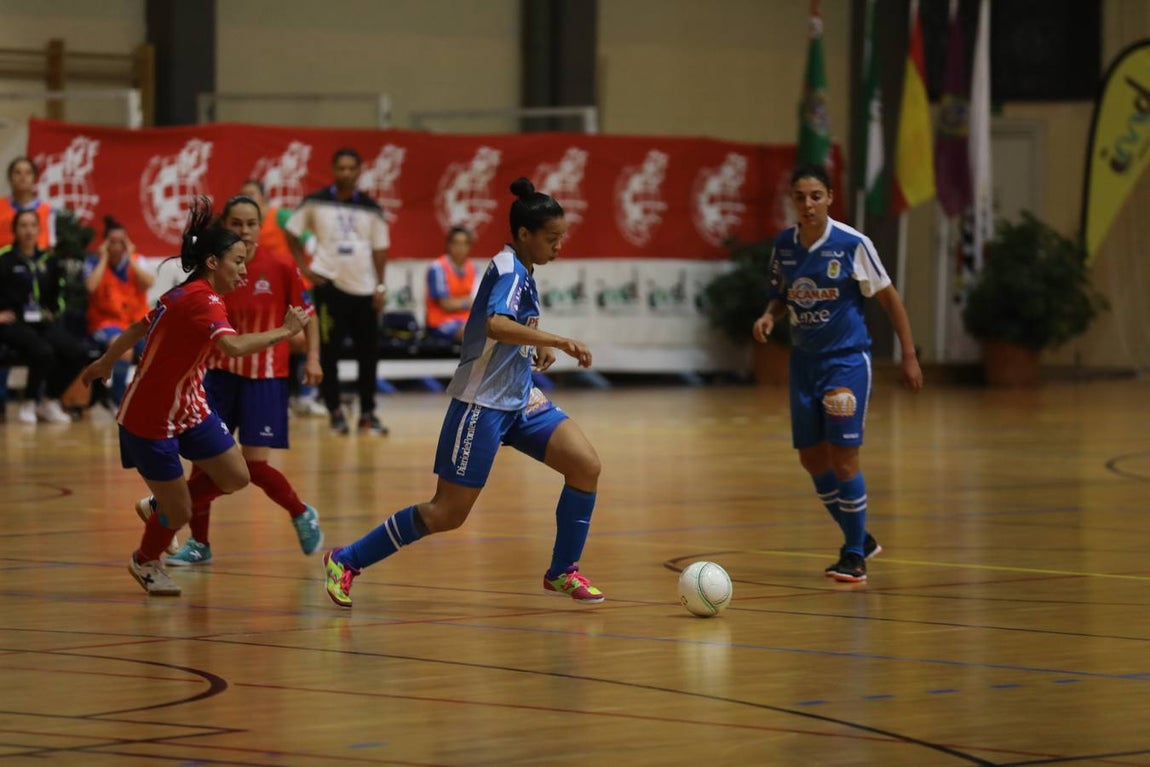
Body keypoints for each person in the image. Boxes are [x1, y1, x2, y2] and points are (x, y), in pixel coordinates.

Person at [321, 178, 604, 609]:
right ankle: (346, 559)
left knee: (585, 466)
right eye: (552, 238)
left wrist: (537, 342)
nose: (558, 246)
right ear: (524, 235)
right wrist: (561, 340)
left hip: (520, 398)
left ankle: (562, 571)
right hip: (482, 404)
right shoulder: (509, 268)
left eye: (561, 237)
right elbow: (494, 323)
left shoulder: (524, 270)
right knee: (445, 514)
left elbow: (514, 324)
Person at [80, 197, 309, 596]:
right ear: (212, 263)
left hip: (189, 406)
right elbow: (233, 348)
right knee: (181, 511)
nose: (243, 268)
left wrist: (105, 362)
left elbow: (137, 329)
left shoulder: (187, 295)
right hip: (150, 418)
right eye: (237, 261)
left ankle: (157, 508)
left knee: (236, 475)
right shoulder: (202, 300)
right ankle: (145, 560)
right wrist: (286, 332)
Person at [752, 164, 923, 583]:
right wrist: (769, 316)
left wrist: (910, 354)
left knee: (844, 457)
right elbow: (781, 296)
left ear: (830, 197)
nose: (807, 204)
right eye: (799, 197)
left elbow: (890, 299)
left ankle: (853, 555)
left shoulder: (852, 244)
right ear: (791, 201)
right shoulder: (785, 246)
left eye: (816, 196)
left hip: (846, 362)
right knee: (812, 459)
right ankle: (860, 537)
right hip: (804, 364)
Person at [163, 193, 324, 567]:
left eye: (252, 224)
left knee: (252, 467)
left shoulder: (282, 265)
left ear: (261, 225)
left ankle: (300, 511)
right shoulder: (215, 267)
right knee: (205, 464)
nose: (245, 231)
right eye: (237, 224)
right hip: (218, 375)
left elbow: (308, 314)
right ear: (225, 226)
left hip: (266, 377)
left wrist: (313, 356)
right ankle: (199, 544)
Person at [284, 148, 389, 436]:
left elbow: (380, 250)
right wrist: (304, 268)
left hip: (365, 289)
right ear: (333, 169)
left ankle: (368, 413)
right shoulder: (315, 202)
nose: (345, 173)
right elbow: (291, 231)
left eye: (350, 168)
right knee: (328, 353)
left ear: (359, 171)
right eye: (340, 168)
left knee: (369, 354)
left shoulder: (371, 207)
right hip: (328, 285)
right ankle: (335, 411)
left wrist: (380, 286)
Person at [240, 178, 326, 417]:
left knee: (303, 338)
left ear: (264, 197)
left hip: (293, 286)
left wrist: (313, 263)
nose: (248, 198)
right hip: (263, 290)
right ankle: (284, 396)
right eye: (243, 194)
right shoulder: (241, 226)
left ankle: (306, 395)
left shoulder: (280, 216)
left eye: (252, 193)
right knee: (275, 339)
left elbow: (308, 239)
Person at [0, 210, 88, 424]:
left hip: (41, 322)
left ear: (39, 230)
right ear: (15, 230)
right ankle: (29, 401)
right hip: (14, 323)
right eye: (23, 225)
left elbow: (60, 295)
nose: (28, 230)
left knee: (77, 352)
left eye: (32, 225)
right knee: (43, 351)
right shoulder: (5, 259)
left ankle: (49, 400)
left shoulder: (49, 260)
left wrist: (54, 311)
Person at [85, 216, 154, 406]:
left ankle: (150, 398)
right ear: (105, 244)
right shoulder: (94, 262)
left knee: (155, 347)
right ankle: (119, 400)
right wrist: (104, 258)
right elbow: (90, 287)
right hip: (106, 323)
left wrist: (130, 257)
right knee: (123, 349)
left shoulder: (137, 260)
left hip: (136, 322)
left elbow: (149, 283)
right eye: (112, 242)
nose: (117, 247)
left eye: (121, 242)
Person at [425, 226, 476, 342]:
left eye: (464, 244)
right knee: (470, 332)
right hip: (440, 322)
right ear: (449, 245)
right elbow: (446, 304)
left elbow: (478, 302)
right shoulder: (437, 268)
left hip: (466, 320)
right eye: (456, 243)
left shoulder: (473, 268)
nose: (460, 248)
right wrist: (467, 301)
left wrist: (464, 302)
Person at [0, 157, 55, 250]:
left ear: (34, 178)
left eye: (28, 173)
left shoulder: (47, 210)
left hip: (35, 263)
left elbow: (50, 247)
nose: (23, 177)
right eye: (17, 172)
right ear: (9, 177)